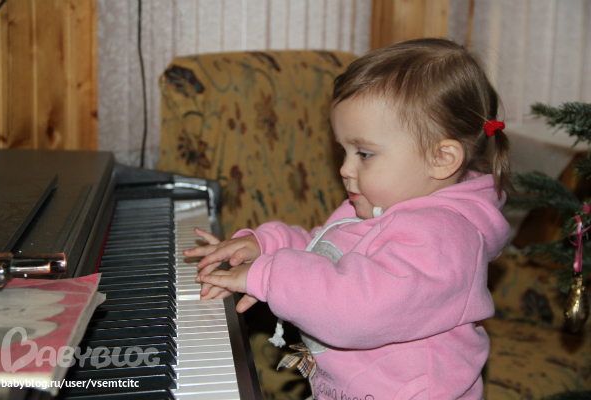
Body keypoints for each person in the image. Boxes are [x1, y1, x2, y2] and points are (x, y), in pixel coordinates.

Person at [184, 38, 512, 399]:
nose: (344, 168)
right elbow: (329, 251)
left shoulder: (444, 238)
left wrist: (269, 275)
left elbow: (359, 309)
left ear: (441, 159)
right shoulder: (376, 204)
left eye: (364, 153)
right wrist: (266, 245)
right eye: (343, 150)